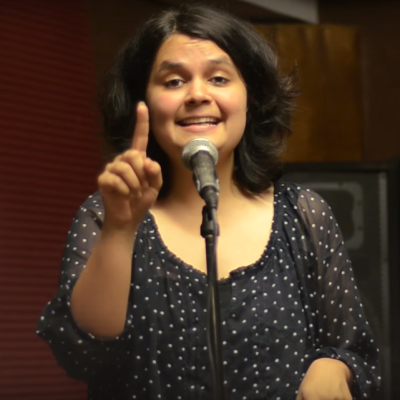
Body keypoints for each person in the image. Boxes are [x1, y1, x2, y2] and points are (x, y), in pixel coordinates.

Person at [37, 3, 380, 400]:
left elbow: (356, 352)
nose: (197, 94)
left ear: (251, 96)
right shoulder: (104, 215)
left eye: (218, 78)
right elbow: (82, 355)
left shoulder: (303, 216)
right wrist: (120, 231)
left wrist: (334, 366)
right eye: (173, 81)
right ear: (141, 102)